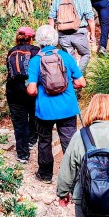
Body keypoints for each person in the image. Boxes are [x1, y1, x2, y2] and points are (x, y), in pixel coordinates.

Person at [27, 25, 86, 182]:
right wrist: (66, 84)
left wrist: (42, 87)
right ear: (55, 39)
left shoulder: (35, 61)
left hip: (44, 110)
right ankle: (73, 178)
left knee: (44, 141)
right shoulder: (66, 56)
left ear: (38, 40)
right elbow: (81, 82)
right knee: (69, 142)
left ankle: (45, 174)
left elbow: (31, 90)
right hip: (67, 107)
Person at [5, 26, 40, 164]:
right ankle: (32, 139)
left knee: (20, 123)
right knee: (34, 115)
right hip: (32, 88)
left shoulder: (11, 51)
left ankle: (23, 154)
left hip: (13, 90)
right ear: (31, 38)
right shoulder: (36, 50)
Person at [50, 0, 96, 71]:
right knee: (85, 54)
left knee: (69, 58)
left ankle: (72, 76)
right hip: (79, 32)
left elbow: (51, 17)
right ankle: (79, 74)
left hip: (62, 33)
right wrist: (92, 34)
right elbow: (90, 17)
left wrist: (52, 34)